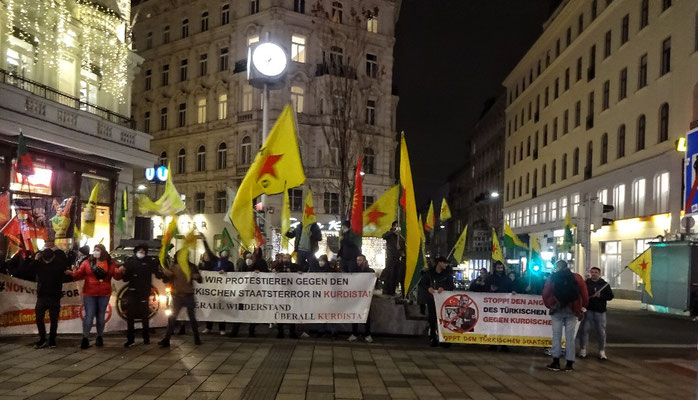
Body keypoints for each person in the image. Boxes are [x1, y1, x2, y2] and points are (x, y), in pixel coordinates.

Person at [66, 244, 122, 349]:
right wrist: (72, 273)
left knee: (99, 315)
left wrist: (119, 272)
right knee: (90, 315)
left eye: (98, 250)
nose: (96, 252)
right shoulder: (88, 262)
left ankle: (97, 337)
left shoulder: (109, 264)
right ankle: (87, 338)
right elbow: (79, 274)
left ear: (103, 252)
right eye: (95, 250)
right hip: (90, 293)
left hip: (102, 293)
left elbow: (117, 276)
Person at [19, 248, 71, 348]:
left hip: (54, 295)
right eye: (45, 259)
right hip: (42, 295)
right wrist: (35, 260)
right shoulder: (39, 263)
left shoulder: (59, 264)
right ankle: (42, 338)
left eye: (49, 260)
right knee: (39, 318)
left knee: (54, 319)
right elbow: (27, 271)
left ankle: (52, 339)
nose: (47, 262)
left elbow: (66, 276)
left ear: (53, 257)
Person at [542, 260, 588, 372]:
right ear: (567, 267)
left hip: (557, 309)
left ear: (557, 267)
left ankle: (556, 362)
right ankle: (569, 364)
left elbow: (545, 293)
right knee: (570, 337)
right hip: (572, 309)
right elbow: (585, 294)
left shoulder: (552, 277)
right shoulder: (577, 278)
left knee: (556, 336)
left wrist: (550, 305)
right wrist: (582, 308)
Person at [121, 243, 163, 347]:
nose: (141, 253)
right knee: (130, 316)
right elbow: (125, 278)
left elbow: (157, 274)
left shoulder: (149, 262)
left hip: (144, 292)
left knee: (145, 316)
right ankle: (130, 339)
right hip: (133, 292)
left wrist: (162, 269)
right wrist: (124, 272)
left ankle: (146, 338)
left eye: (143, 252)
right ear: (135, 252)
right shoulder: (130, 262)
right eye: (139, 251)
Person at [159, 252, 203, 347]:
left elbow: (200, 279)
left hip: (188, 295)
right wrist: (166, 273)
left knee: (192, 319)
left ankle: (197, 338)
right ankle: (166, 339)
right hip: (177, 296)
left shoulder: (191, 267)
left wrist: (196, 276)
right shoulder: (173, 266)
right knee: (172, 319)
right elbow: (165, 280)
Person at [230, 249, 268, 337]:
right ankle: (235, 331)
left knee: (253, 312)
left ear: (254, 259)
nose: (249, 259)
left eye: (251, 258)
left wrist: (259, 273)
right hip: (243, 294)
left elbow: (266, 276)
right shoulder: (242, 266)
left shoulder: (258, 265)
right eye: (247, 258)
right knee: (239, 312)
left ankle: (251, 331)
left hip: (254, 294)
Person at [579, 266, 614, 360]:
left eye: (596, 272)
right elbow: (581, 294)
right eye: (592, 272)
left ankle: (602, 351)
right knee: (584, 330)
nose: (594, 273)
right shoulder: (586, 284)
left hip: (600, 311)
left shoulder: (604, 284)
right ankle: (583, 349)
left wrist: (601, 295)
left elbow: (610, 296)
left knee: (601, 332)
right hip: (588, 310)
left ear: (599, 274)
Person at [418, 256, 454, 347]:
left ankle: (445, 339)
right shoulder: (429, 274)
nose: (446, 265)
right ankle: (433, 338)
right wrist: (428, 288)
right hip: (432, 299)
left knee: (445, 319)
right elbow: (422, 284)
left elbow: (451, 286)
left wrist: (444, 288)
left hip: (444, 301)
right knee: (432, 319)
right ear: (439, 263)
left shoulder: (447, 275)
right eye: (444, 263)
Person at [200, 243, 233, 335]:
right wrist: (204, 241)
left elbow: (233, 275)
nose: (224, 254)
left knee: (221, 309)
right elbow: (209, 253)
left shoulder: (230, 264)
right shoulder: (215, 260)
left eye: (226, 253)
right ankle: (208, 327)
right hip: (212, 289)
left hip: (223, 290)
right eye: (223, 252)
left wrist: (226, 272)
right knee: (211, 308)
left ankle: (222, 329)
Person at [274, 253, 302, 338]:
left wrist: (299, 273)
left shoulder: (294, 266)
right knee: (280, 312)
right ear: (282, 259)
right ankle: (280, 331)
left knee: (292, 312)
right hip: (281, 293)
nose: (286, 260)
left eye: (287, 258)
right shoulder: (278, 266)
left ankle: (292, 332)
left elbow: (301, 271)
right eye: (284, 258)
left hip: (291, 293)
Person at [348, 255, 375, 343]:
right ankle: (354, 333)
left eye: (360, 260)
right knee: (355, 315)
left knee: (366, 316)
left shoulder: (370, 271)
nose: (358, 262)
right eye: (357, 260)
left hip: (365, 298)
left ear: (364, 261)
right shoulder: (354, 271)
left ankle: (367, 334)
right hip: (356, 298)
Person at [381, 221, 405, 296]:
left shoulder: (400, 237)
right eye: (396, 226)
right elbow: (384, 236)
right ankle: (387, 290)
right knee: (389, 274)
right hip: (390, 257)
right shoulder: (390, 234)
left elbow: (403, 246)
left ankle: (393, 290)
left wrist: (401, 251)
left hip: (397, 258)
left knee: (396, 275)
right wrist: (392, 232)